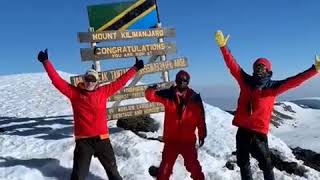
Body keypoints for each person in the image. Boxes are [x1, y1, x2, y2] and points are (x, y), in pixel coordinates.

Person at [214, 30, 320, 180]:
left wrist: (314, 70)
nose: (259, 69)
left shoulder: (273, 87)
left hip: (259, 134)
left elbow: (296, 80)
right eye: (257, 67)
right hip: (243, 131)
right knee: (243, 163)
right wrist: (223, 47)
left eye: (263, 67)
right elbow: (233, 65)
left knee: (266, 165)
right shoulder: (245, 81)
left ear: (268, 70)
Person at [37, 49, 144, 180]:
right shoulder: (75, 94)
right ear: (84, 79)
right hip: (83, 142)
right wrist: (46, 62)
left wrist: (135, 68)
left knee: (114, 173)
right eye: (88, 79)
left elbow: (120, 81)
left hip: (102, 140)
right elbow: (57, 81)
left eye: (93, 80)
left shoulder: (104, 91)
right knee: (78, 176)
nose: (90, 82)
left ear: (97, 82)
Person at [145, 70, 207, 180]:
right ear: (176, 80)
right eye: (180, 80)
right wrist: (151, 89)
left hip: (187, 142)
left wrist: (202, 135)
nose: (182, 82)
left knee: (194, 167)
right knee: (165, 169)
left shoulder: (195, 98)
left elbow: (200, 119)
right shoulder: (168, 94)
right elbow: (150, 97)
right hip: (171, 141)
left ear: (188, 82)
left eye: (184, 80)